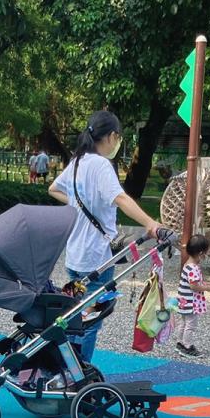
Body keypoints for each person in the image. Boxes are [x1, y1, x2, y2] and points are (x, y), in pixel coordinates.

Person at [49, 109, 161, 360]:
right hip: (98, 258)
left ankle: (69, 368)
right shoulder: (101, 165)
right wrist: (150, 223)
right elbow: (120, 198)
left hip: (75, 257)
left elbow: (53, 188)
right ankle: (79, 372)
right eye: (118, 137)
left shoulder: (77, 162)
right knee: (91, 319)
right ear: (111, 136)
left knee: (76, 316)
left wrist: (78, 203)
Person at [174, 234, 210, 358]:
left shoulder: (187, 264)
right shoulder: (193, 268)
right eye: (206, 252)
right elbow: (193, 286)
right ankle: (188, 346)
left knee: (183, 322)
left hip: (183, 300)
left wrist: (202, 283)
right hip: (190, 302)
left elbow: (192, 282)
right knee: (190, 324)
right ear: (201, 253)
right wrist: (206, 288)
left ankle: (180, 343)